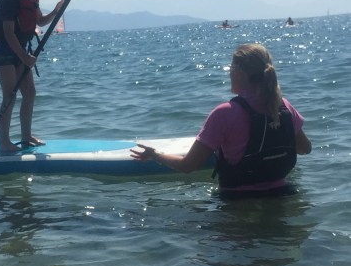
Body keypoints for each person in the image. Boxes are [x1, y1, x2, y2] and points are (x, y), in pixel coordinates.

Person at [131, 43, 311, 197]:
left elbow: (188, 166)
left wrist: (154, 155)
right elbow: (305, 148)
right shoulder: (284, 106)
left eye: (230, 68)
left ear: (240, 73)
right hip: (283, 196)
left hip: (238, 203)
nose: (229, 73)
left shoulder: (225, 113)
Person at [0, 0, 64, 154]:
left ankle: (26, 136)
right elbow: (8, 33)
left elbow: (40, 22)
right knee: (10, 95)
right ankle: (4, 142)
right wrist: (24, 57)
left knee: (30, 93)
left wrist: (57, 11)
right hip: (6, 52)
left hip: (22, 52)